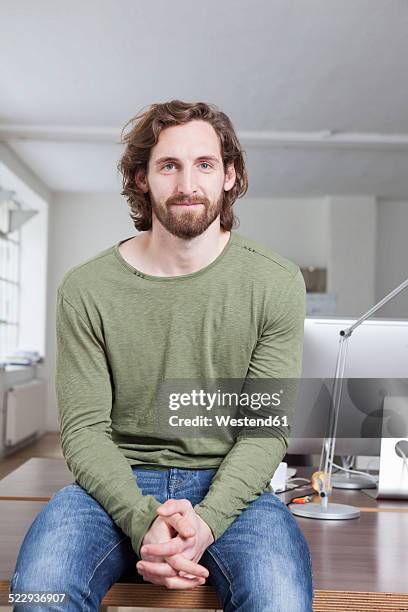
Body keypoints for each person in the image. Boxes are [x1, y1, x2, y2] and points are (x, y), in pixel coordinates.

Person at [10, 100, 313, 611]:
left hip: (231, 487)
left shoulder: (275, 282)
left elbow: (263, 430)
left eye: (205, 164)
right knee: (40, 591)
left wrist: (207, 522)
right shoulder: (86, 289)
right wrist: (142, 516)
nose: (188, 183)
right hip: (114, 483)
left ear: (229, 176)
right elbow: (84, 431)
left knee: (279, 600)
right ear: (142, 178)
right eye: (169, 165)